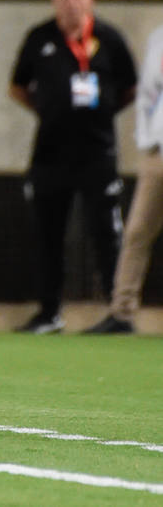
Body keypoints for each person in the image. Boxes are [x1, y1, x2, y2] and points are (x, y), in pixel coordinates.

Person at [8, 0, 134, 334]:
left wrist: (101, 111)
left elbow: (129, 89)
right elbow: (18, 87)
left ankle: (117, 311)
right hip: (51, 153)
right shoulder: (40, 38)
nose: (71, 1)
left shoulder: (109, 39)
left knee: (107, 234)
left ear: (90, 0)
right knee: (48, 234)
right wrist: (49, 109)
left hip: (97, 152)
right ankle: (50, 313)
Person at [86, 21, 163, 334]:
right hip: (158, 151)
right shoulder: (159, 36)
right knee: (137, 232)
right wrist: (147, 139)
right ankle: (122, 312)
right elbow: (147, 92)